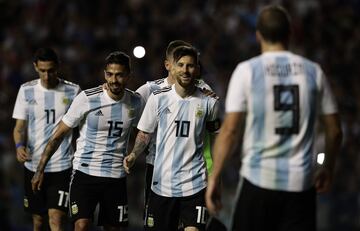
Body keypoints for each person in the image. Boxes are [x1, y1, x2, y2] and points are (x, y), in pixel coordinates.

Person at [206, 5, 342, 231]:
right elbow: (335, 130)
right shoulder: (313, 71)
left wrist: (214, 177)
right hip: (301, 185)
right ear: (289, 34)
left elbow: (229, 131)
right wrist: (328, 167)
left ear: (257, 34)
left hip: (258, 180)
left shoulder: (247, 70)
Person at [31, 51, 143, 231]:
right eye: (110, 74)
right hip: (84, 173)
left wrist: (135, 153)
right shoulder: (87, 98)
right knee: (81, 225)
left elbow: (144, 132)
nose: (114, 80)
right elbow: (58, 134)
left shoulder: (136, 102)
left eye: (119, 75)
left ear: (129, 75)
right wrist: (40, 169)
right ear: (105, 74)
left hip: (115, 177)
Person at [124, 46, 220, 231]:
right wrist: (134, 154)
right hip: (162, 184)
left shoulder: (210, 102)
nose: (185, 70)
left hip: (195, 183)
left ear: (197, 69)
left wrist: (215, 174)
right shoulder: (158, 98)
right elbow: (144, 133)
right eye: (181, 65)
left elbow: (214, 139)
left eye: (190, 66)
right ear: (172, 68)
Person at [12, 47, 80, 231]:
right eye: (42, 70)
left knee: (56, 219)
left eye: (50, 70)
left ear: (58, 67)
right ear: (35, 67)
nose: (47, 75)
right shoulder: (26, 90)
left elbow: (81, 129)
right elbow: (19, 128)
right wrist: (19, 146)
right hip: (33, 165)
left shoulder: (73, 91)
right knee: (38, 221)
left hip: (62, 165)